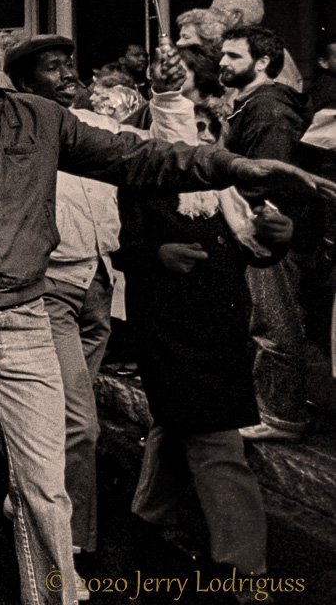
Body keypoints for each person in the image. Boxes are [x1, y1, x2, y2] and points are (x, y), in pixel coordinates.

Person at [0, 24, 332, 605]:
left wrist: (232, 166)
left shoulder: (38, 118)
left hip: (27, 313)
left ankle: (51, 593)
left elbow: (138, 156)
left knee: (44, 485)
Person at [120, 45, 290, 595]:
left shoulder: (223, 188)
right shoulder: (143, 180)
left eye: (203, 124)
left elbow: (250, 247)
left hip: (219, 326)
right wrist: (157, 255)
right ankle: (246, 568)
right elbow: (122, 247)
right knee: (218, 442)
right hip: (169, 328)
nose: (197, 133)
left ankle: (147, 514)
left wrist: (273, 240)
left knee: (181, 425)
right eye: (184, 123)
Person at [4, 34, 127, 573]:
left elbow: (154, 151)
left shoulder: (97, 127)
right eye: (54, 68)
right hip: (47, 288)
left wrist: (169, 98)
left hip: (98, 285)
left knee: (61, 419)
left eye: (69, 65)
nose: (69, 75)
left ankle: (29, 492)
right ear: (27, 84)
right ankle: (65, 548)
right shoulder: (14, 133)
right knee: (77, 423)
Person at [218, 24, 323, 442]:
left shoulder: (268, 108)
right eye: (223, 54)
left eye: (234, 56)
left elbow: (269, 176)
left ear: (262, 63)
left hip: (267, 230)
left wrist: (258, 223)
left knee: (273, 323)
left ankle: (282, 417)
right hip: (256, 226)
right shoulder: (248, 103)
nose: (223, 62)